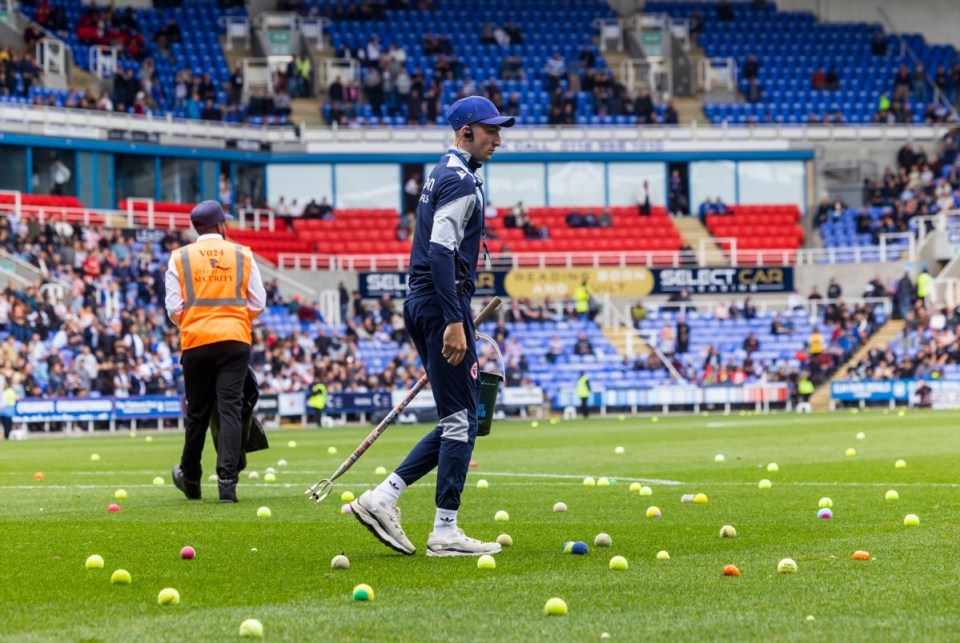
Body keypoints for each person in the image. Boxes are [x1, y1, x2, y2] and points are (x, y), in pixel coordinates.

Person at [350, 95, 515, 558]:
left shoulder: (443, 172)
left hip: (426, 301)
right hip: (442, 303)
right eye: (491, 131)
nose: (498, 140)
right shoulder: (460, 181)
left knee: (458, 417)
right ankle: (445, 530)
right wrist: (453, 320)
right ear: (467, 132)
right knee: (465, 419)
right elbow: (441, 251)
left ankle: (383, 498)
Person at [165, 200, 266, 503]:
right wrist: (232, 320)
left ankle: (191, 479)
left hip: (196, 340)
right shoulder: (242, 254)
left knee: (196, 412)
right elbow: (258, 302)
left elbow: (173, 308)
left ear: (197, 228)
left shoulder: (179, 258)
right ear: (221, 225)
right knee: (230, 408)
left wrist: (199, 322)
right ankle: (227, 483)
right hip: (235, 340)